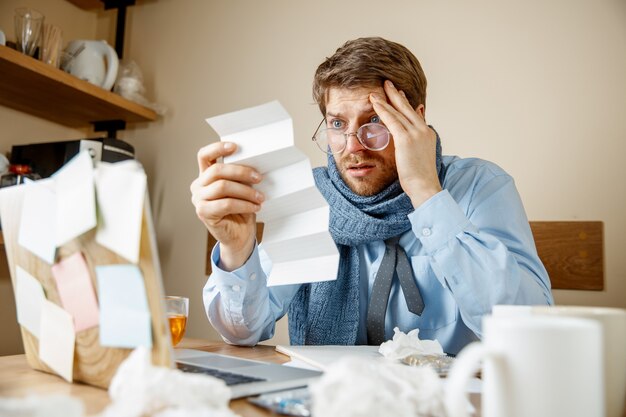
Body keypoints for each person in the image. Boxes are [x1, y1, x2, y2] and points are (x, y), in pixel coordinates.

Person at [190, 37, 553, 354]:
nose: (352, 147)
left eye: (374, 121)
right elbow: (243, 330)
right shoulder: (314, 197)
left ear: (416, 120)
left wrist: (427, 193)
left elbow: (528, 327)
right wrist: (238, 249)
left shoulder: (479, 187)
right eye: (337, 123)